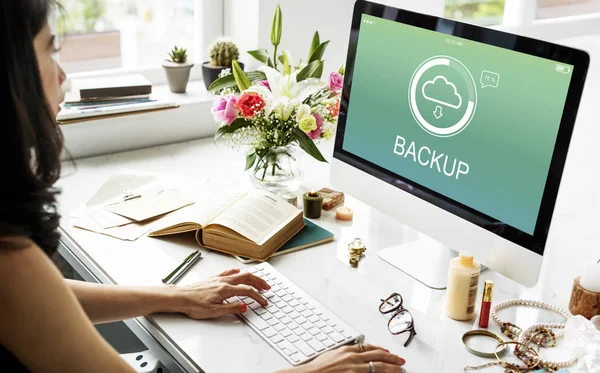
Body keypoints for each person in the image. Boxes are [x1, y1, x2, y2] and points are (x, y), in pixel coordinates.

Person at [0, 1, 407, 372]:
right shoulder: (8, 257)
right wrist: (308, 371)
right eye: (51, 49)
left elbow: (42, 300)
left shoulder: (14, 265)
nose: (63, 75)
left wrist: (177, 297)